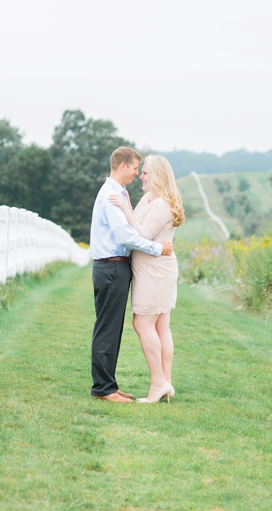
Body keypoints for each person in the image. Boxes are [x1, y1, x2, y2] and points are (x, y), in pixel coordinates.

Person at [90, 147, 174, 403]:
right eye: (136, 168)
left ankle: (109, 386)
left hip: (117, 266)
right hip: (111, 266)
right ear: (123, 166)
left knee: (113, 329)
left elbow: (133, 227)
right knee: (107, 328)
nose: (138, 174)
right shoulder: (111, 196)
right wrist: (157, 248)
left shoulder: (120, 194)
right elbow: (126, 235)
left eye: (142, 170)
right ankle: (104, 388)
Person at [109, 154, 184, 403]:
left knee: (142, 324)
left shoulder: (162, 204)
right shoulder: (148, 198)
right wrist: (130, 205)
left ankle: (158, 384)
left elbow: (142, 232)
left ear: (157, 175)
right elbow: (136, 224)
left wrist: (123, 207)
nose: (141, 175)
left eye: (146, 172)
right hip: (150, 269)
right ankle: (165, 383)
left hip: (156, 272)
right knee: (160, 326)